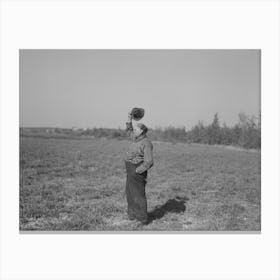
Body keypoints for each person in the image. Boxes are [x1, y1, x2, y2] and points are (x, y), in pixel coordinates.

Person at [124, 111, 154, 225]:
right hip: (129, 169)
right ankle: (132, 215)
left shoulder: (146, 143)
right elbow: (129, 130)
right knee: (130, 193)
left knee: (138, 194)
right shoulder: (135, 138)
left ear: (141, 131)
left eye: (136, 130)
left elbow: (149, 161)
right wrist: (129, 118)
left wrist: (138, 171)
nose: (133, 131)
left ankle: (142, 219)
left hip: (137, 170)